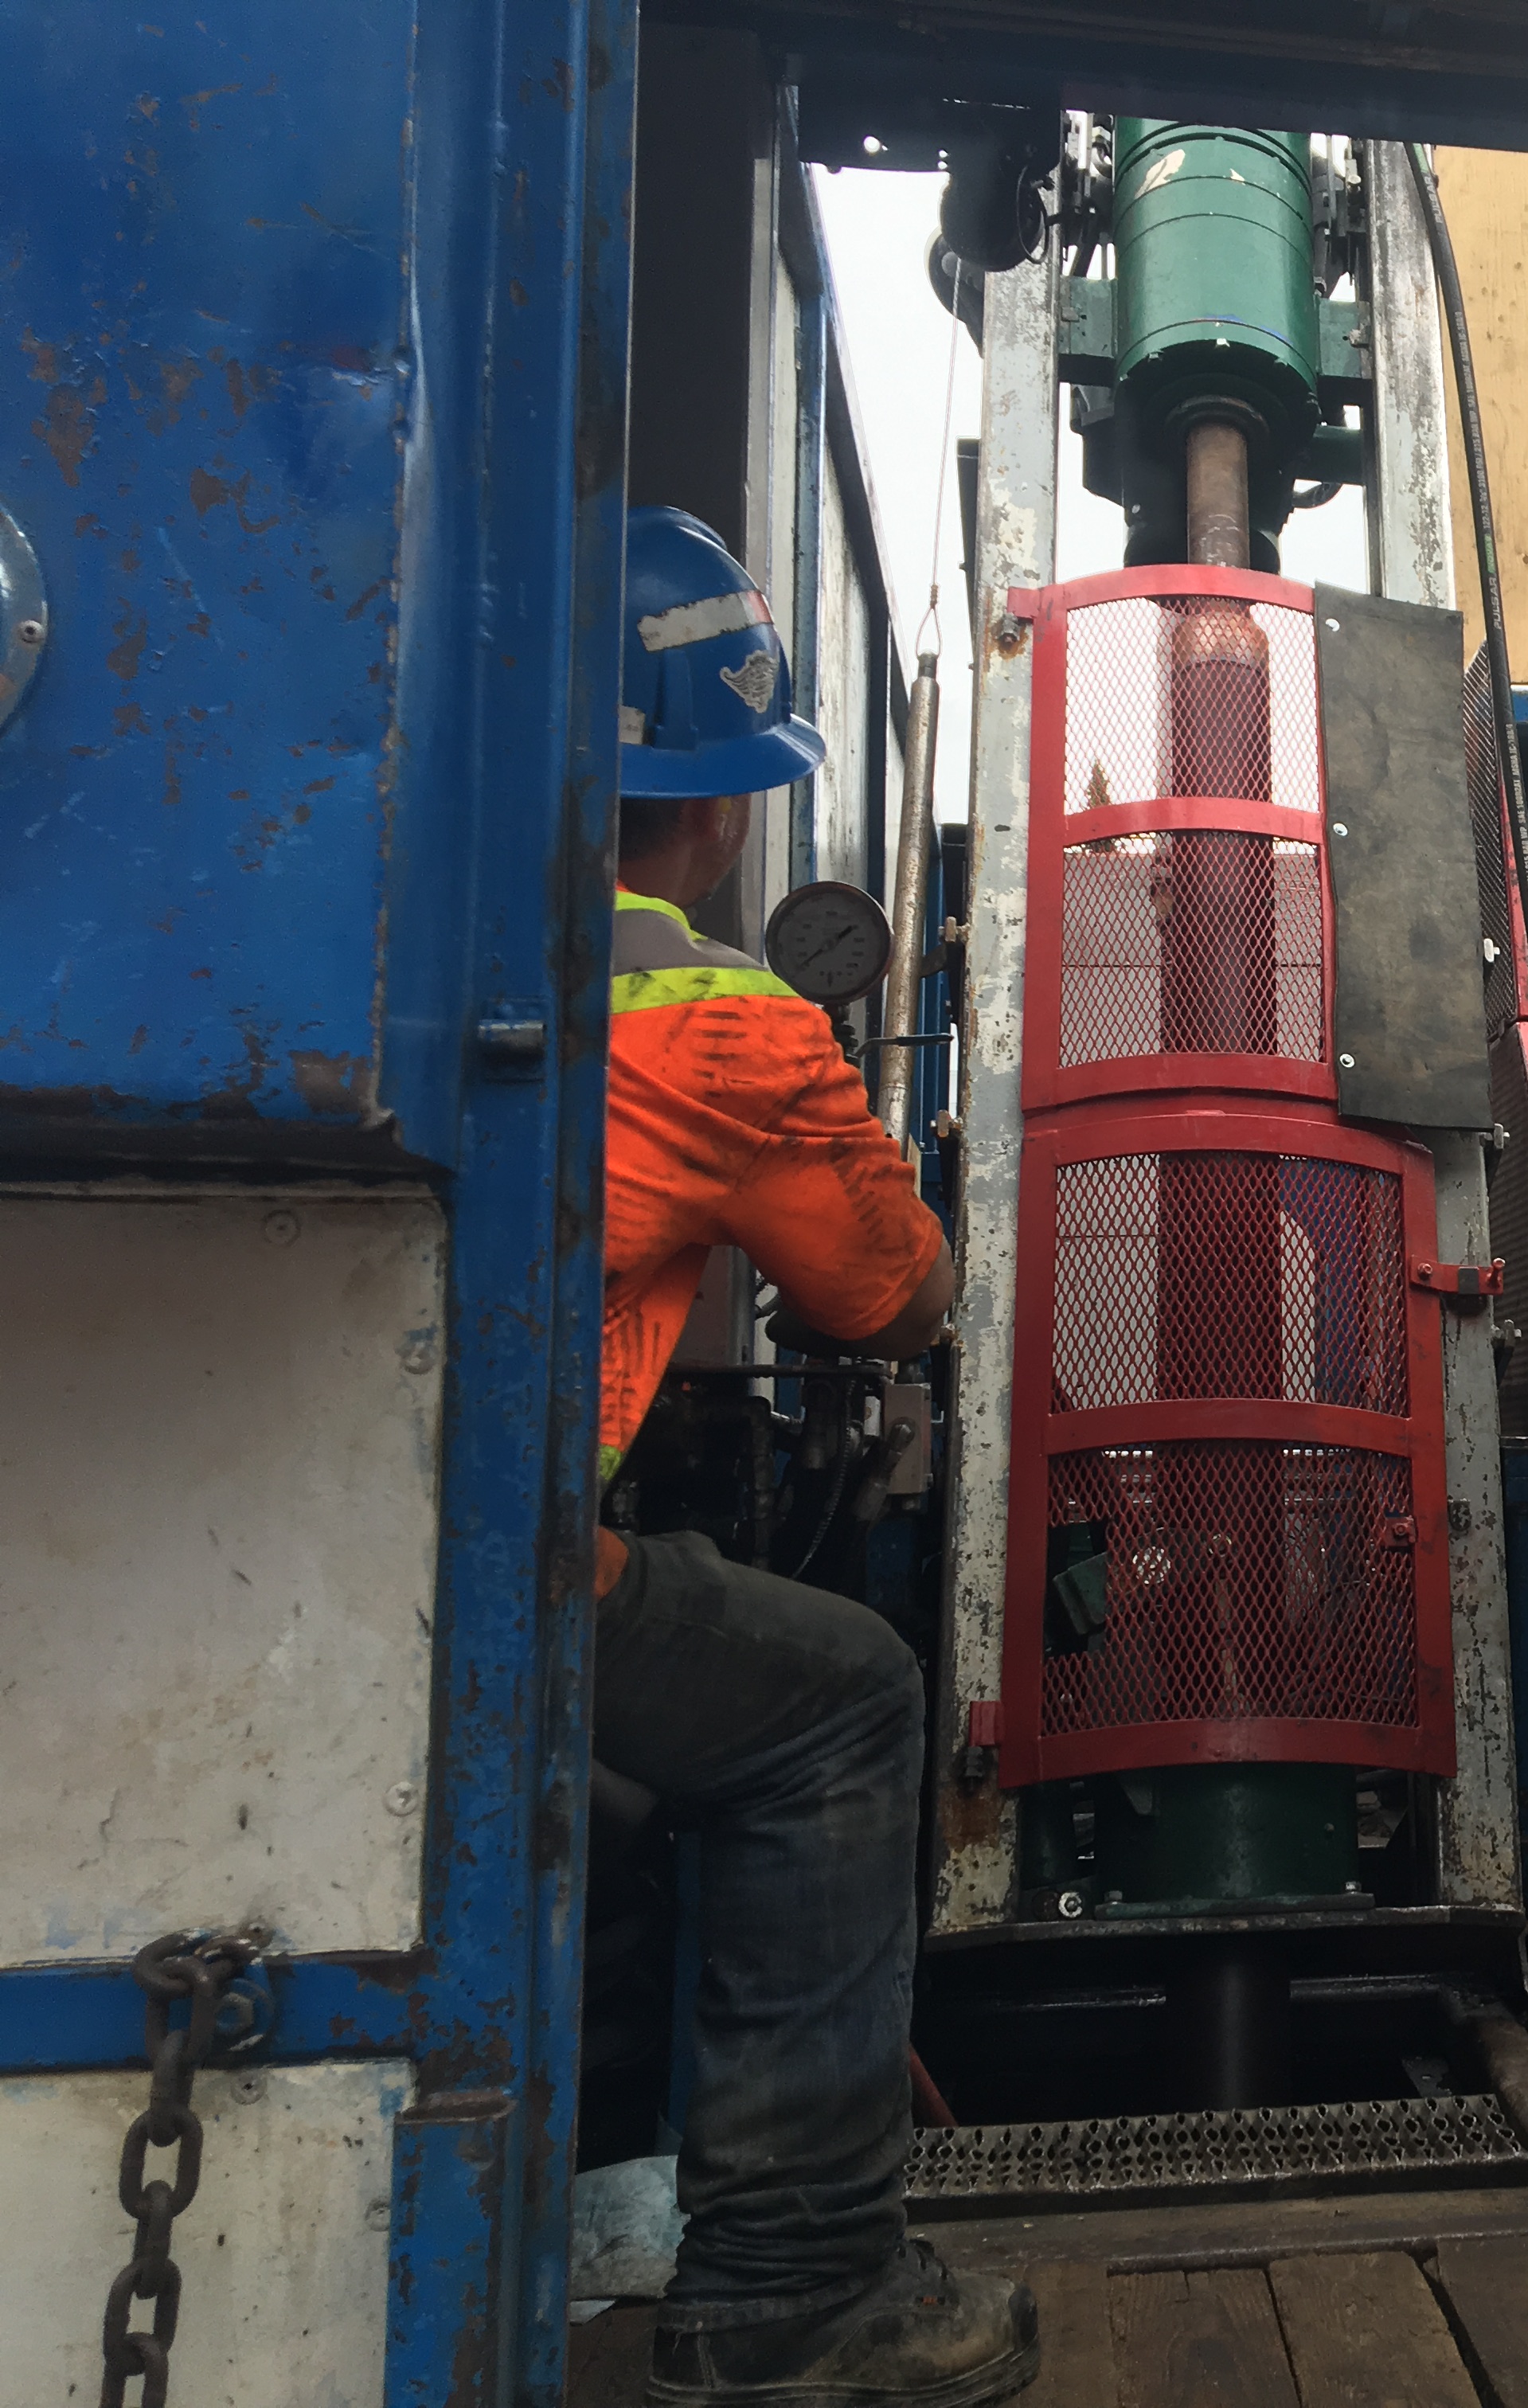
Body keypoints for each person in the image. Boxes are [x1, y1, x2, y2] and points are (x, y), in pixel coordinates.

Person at [596, 506, 1038, 2404]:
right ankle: (788, 2291)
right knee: (844, 1699)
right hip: (457, 1570)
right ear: (712, 816)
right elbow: (903, 1299)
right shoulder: (717, 1017)